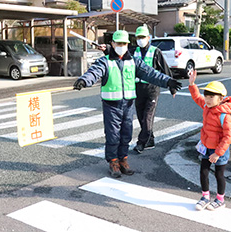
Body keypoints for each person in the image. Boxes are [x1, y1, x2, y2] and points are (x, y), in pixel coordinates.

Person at [73, 30, 182, 178]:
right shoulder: (105, 61)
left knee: (126, 134)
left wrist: (168, 81)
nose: (121, 46)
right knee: (113, 136)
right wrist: (84, 80)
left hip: (129, 105)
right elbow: (94, 72)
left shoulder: (134, 62)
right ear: (112, 44)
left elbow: (150, 73)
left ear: (127, 44)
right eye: (118, 43)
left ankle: (123, 160)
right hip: (111, 106)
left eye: (124, 43)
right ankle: (113, 162)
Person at [188, 70, 231, 210]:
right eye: (206, 96)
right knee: (203, 172)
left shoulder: (225, 115)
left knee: (219, 174)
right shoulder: (206, 106)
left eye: (211, 97)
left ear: (221, 98)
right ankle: (205, 197)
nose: (207, 99)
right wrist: (192, 83)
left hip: (219, 150)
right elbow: (197, 97)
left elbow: (228, 136)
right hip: (206, 146)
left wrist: (217, 153)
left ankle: (220, 199)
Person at [132, 25, 174, 154]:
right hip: (138, 88)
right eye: (138, 37)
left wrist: (171, 86)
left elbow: (165, 70)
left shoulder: (155, 52)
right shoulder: (134, 51)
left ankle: (141, 142)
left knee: (147, 117)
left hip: (152, 89)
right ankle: (150, 140)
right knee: (140, 116)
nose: (140, 39)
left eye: (143, 37)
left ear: (148, 38)